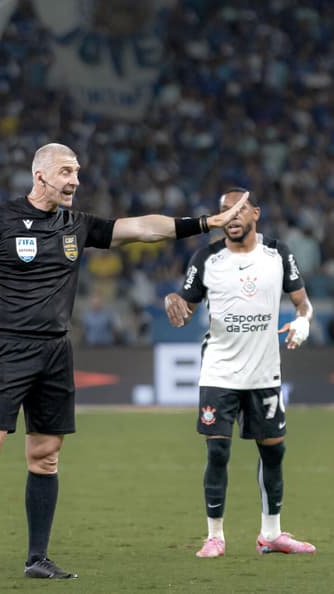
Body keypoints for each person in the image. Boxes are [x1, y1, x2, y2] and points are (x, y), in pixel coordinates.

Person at [0, 142, 250, 582]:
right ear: (40, 175)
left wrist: (204, 223)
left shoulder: (75, 224)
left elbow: (141, 229)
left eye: (77, 172)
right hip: (5, 349)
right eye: (66, 172)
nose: (75, 180)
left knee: (45, 456)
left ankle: (37, 558)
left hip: (56, 352)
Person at [164, 188, 315, 558]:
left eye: (239, 210)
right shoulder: (207, 258)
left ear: (255, 214)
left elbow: (302, 302)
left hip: (265, 372)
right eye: (225, 212)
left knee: (274, 454)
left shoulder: (278, 254)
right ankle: (215, 535)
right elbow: (185, 305)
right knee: (217, 451)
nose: (231, 217)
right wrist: (174, 301)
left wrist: (303, 322)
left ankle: (271, 534)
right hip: (219, 371)